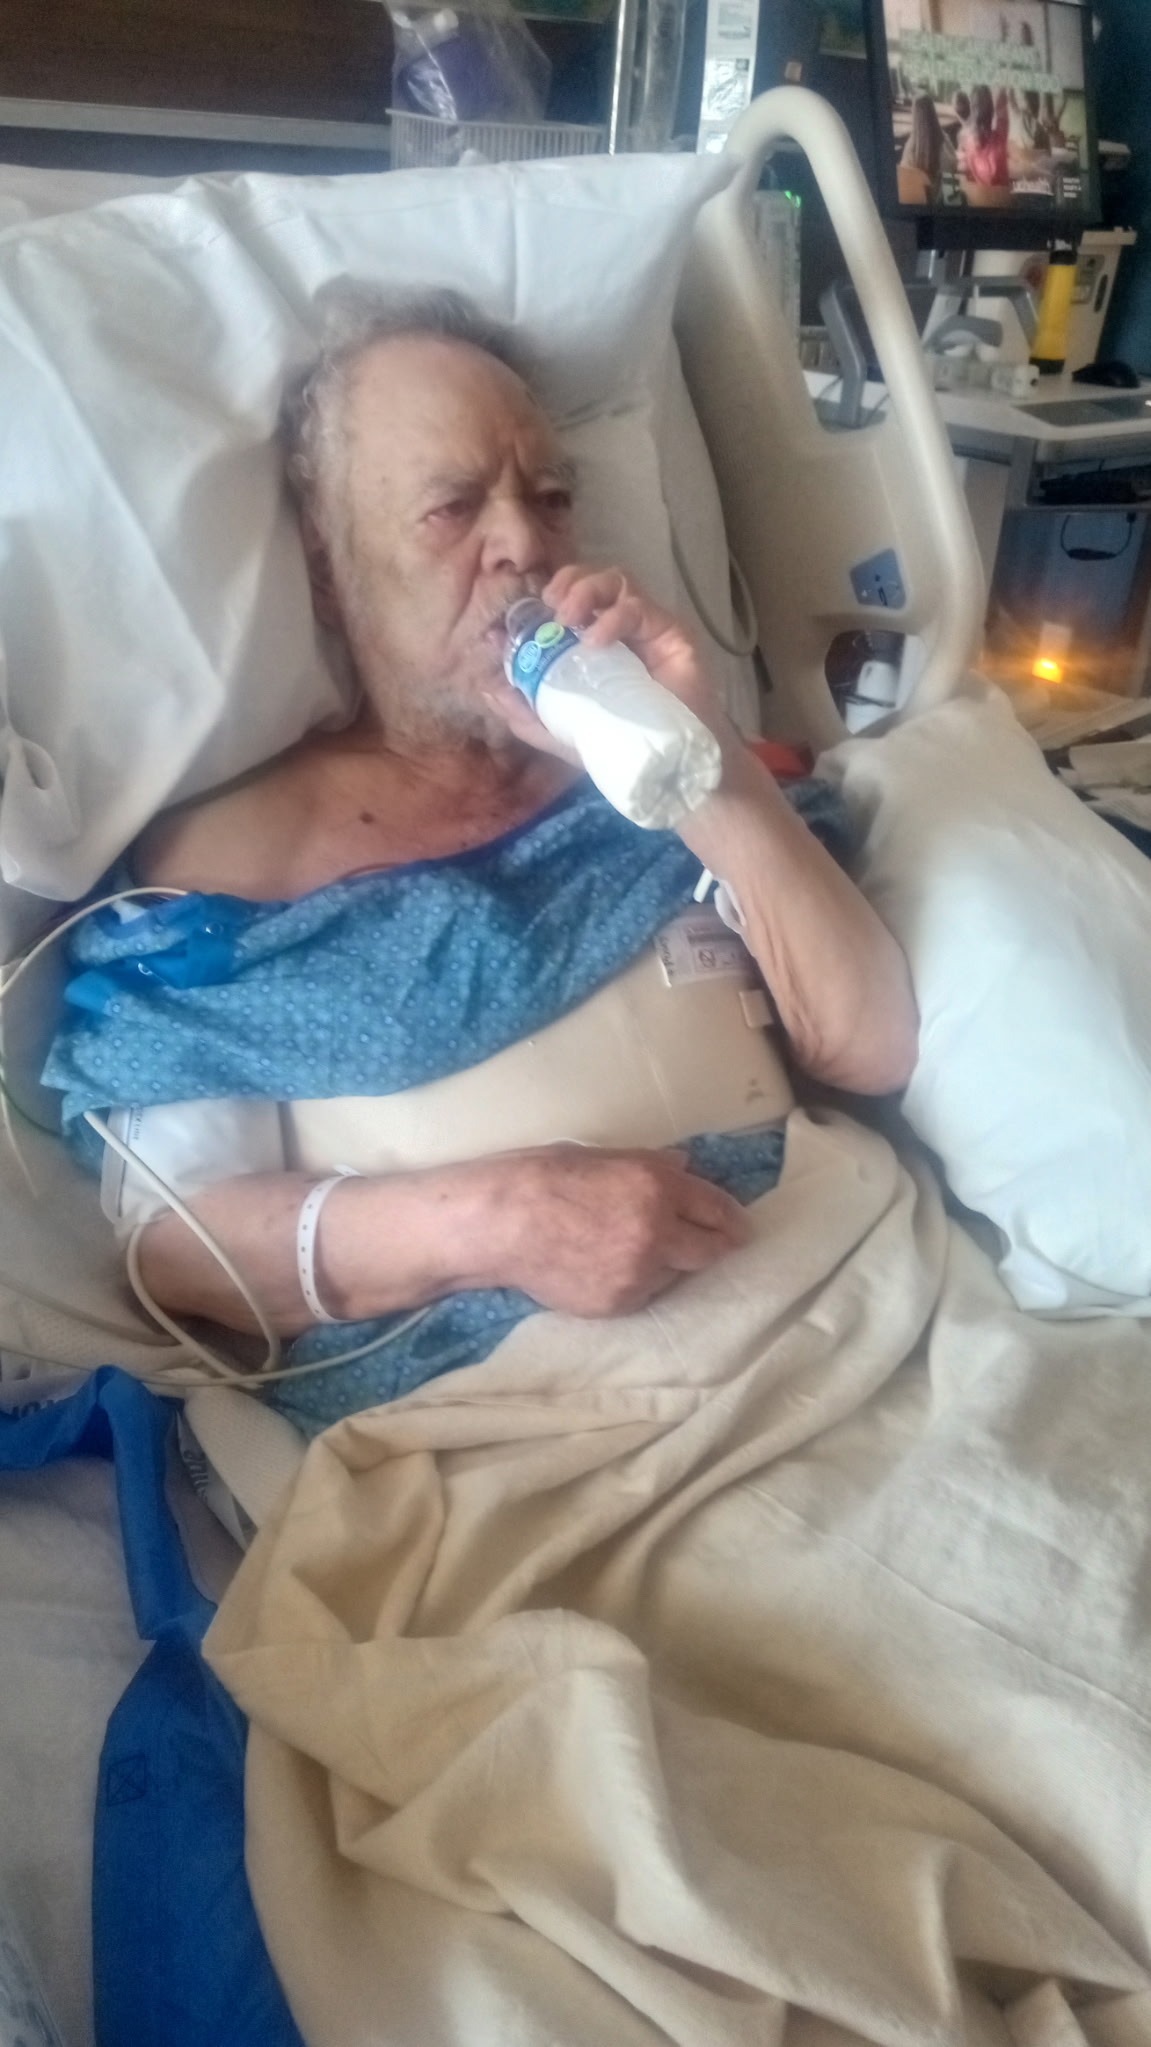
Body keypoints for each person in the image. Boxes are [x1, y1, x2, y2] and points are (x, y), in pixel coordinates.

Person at [45, 290, 918, 1418]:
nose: (524, 545)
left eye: (549, 498)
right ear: (330, 572)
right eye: (451, 508)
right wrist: (498, 1221)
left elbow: (869, 1046)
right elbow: (175, 1246)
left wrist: (698, 761)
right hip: (540, 1415)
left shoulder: (670, 768)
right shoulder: (226, 863)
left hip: (850, 1302)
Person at [899, 93, 958, 206]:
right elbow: (952, 193)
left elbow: (905, 177)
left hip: (917, 205)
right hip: (943, 206)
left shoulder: (910, 146)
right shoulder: (944, 141)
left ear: (914, 114)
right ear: (933, 112)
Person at [958, 83, 1011, 188]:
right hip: (1002, 197)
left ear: (972, 108)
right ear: (991, 109)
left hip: (976, 196)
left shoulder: (965, 138)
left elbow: (962, 170)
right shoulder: (1001, 137)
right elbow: (1002, 112)